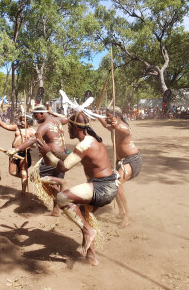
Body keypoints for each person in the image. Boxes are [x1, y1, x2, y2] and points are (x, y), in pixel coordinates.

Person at [38, 112, 119, 265]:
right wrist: (51, 153)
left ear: (76, 128)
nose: (67, 130)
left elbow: (64, 166)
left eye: (69, 126)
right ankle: (91, 256)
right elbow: (66, 158)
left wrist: (48, 154)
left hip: (103, 187)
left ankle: (88, 231)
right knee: (82, 214)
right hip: (107, 186)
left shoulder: (84, 145)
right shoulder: (90, 141)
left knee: (62, 198)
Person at [7, 105, 69, 216]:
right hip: (64, 155)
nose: (36, 119)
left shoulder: (44, 126)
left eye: (37, 116)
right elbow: (66, 118)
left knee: (37, 178)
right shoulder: (58, 120)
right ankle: (56, 210)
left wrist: (16, 149)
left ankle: (63, 199)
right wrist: (52, 112)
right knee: (54, 181)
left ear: (42, 114)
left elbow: (32, 139)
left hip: (52, 156)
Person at [98, 107, 142, 228]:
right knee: (115, 185)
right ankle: (122, 211)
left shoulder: (122, 126)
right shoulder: (113, 126)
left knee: (116, 184)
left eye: (109, 116)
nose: (107, 118)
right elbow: (105, 125)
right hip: (121, 160)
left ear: (117, 116)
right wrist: (98, 115)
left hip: (132, 160)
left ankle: (127, 215)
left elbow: (124, 130)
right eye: (106, 116)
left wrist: (116, 124)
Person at [0, 114, 35, 194]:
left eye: (24, 120)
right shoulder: (17, 127)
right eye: (21, 120)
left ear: (28, 122)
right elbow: (6, 126)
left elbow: (36, 143)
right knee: (12, 172)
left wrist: (30, 145)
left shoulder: (32, 132)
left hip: (24, 153)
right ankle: (25, 178)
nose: (22, 122)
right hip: (13, 153)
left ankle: (23, 191)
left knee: (23, 171)